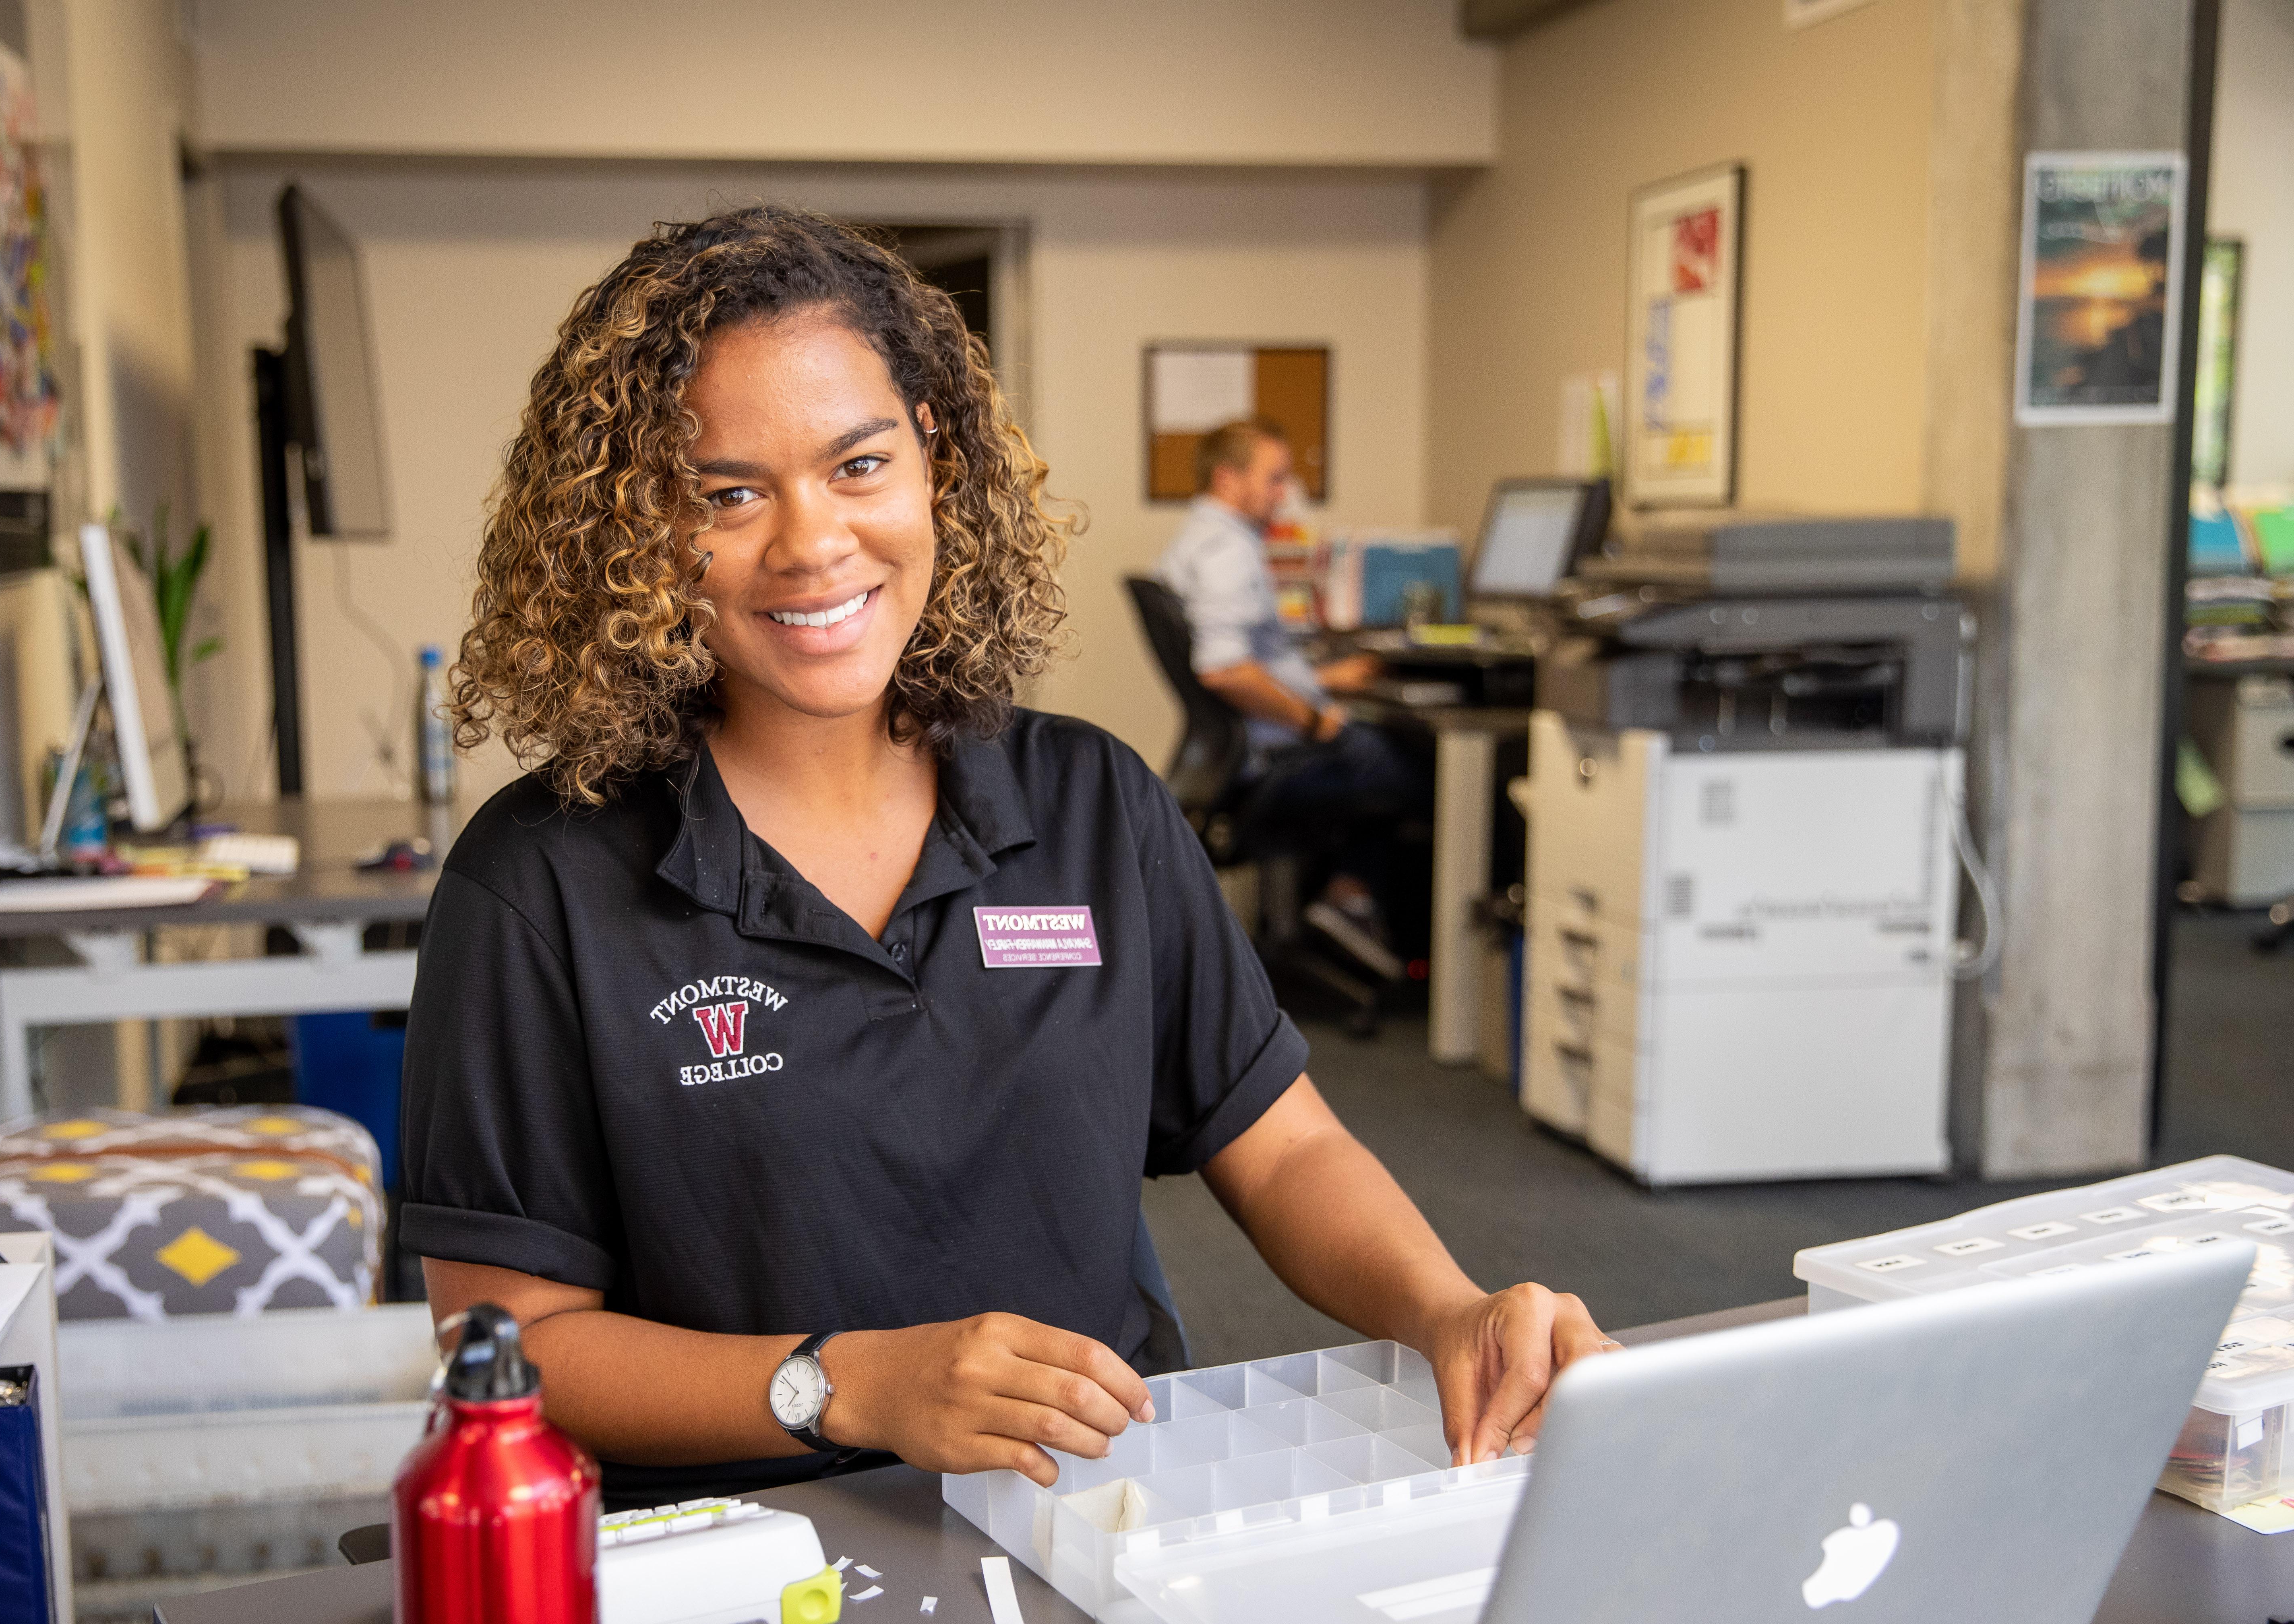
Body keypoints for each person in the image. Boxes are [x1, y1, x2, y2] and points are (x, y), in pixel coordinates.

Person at [401, 204, 1613, 1509]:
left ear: (934, 458)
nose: (812, 542)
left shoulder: (1091, 801)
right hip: (749, 1558)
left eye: (858, 465)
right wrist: (845, 1384)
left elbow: (1283, 1148)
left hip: (1095, 1510)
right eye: (729, 494)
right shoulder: (537, 882)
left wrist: (1449, 1310)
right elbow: (511, 1347)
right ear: (639, 533)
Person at [1156, 420, 1437, 970]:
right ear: (1228, 478)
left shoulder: (1198, 540)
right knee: (1423, 771)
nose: (1284, 494)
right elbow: (1224, 670)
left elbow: (1246, 662)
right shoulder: (1227, 551)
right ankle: (1351, 900)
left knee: (1388, 753)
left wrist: (1326, 681)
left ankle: (1346, 898)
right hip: (1277, 761)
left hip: (1241, 755)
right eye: (1274, 479)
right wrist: (1316, 721)